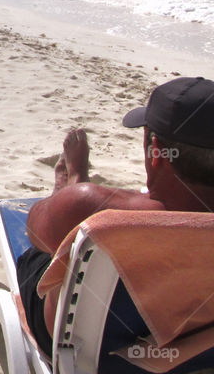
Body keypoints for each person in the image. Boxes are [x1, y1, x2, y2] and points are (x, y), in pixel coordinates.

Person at [17, 76, 214, 355]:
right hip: (195, 348)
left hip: (87, 352)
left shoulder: (94, 211)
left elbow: (34, 228)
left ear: (156, 151)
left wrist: (75, 194)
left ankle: (71, 181)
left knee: (45, 250)